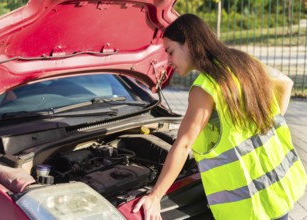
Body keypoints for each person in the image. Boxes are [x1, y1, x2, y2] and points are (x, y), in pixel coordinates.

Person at [132, 14, 307, 220]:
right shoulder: (242, 62)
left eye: (170, 52)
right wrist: (268, 119)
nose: (168, 61)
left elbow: (185, 143)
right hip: (278, 190)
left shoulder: (206, 87)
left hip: (249, 207)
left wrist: (155, 195)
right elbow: (285, 84)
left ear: (188, 43)